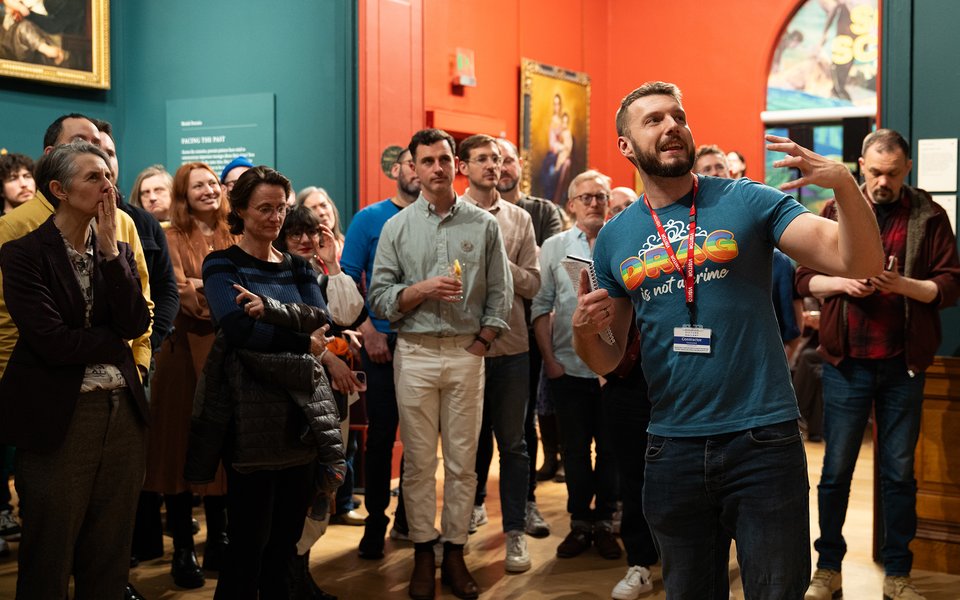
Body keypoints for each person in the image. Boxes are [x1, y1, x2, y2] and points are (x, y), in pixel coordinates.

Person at [573, 81, 883, 598]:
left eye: (678, 116)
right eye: (653, 120)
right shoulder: (615, 237)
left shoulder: (750, 202)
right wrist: (586, 332)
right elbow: (607, 357)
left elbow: (861, 263)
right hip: (671, 444)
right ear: (626, 146)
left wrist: (844, 187)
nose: (672, 126)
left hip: (762, 440)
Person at [797, 129, 960, 600]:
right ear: (861, 166)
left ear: (906, 168)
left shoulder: (929, 216)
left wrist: (899, 284)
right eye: (874, 172)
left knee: (898, 475)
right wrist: (844, 284)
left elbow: (949, 287)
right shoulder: (835, 210)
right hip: (846, 363)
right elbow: (806, 279)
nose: (882, 181)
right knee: (834, 473)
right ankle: (828, 568)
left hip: (902, 366)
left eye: (892, 173)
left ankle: (898, 573)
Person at [0, 140, 151, 599]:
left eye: (109, 176)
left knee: (109, 552)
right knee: (50, 553)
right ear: (58, 189)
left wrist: (108, 254)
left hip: (122, 412)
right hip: (60, 415)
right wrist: (112, 344)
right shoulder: (23, 253)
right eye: (93, 177)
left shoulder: (116, 246)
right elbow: (51, 342)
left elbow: (137, 322)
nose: (108, 186)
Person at [186, 165, 345, 599]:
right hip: (250, 415)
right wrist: (300, 342)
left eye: (281, 208)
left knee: (283, 543)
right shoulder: (222, 263)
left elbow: (322, 321)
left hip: (301, 414)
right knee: (247, 546)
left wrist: (269, 311)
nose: (275, 217)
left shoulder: (297, 266)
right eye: (264, 208)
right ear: (238, 209)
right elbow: (236, 330)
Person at [368, 128, 512, 600]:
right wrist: (422, 289)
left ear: (457, 165)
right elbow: (380, 299)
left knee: (463, 462)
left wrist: (483, 341)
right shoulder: (397, 227)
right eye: (426, 161)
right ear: (413, 167)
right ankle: (422, 554)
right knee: (417, 464)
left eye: (444, 159)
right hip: (415, 352)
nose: (436, 168)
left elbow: (500, 292)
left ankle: (455, 553)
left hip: (466, 353)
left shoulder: (483, 224)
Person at [142, 161, 236, 589]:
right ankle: (183, 548)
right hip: (180, 362)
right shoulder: (168, 236)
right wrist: (214, 289)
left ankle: (218, 540)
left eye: (213, 183)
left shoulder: (234, 234)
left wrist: (204, 285)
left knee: (222, 451)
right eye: (198, 185)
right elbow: (187, 300)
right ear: (183, 193)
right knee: (176, 453)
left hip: (228, 358)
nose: (209, 190)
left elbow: (246, 289)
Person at [459, 134, 540, 573]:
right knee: (465, 444)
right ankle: (465, 514)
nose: (492, 166)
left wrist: (498, 260)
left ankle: (514, 533)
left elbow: (533, 283)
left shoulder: (519, 221)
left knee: (513, 444)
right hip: (463, 349)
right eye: (482, 159)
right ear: (464, 166)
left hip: (511, 348)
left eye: (497, 159)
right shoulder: (450, 217)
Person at [532, 169, 621, 562]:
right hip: (568, 368)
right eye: (586, 197)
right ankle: (579, 522)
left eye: (601, 196)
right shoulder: (552, 247)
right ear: (571, 205)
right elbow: (540, 306)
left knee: (611, 450)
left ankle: (604, 522)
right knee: (574, 453)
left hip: (616, 372)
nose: (595, 203)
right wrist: (549, 360)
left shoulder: (623, 241)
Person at [341, 147, 418, 559]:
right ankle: (375, 519)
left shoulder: (438, 220)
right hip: (382, 345)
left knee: (421, 440)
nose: (421, 171)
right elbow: (348, 278)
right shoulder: (368, 219)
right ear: (398, 169)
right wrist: (368, 326)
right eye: (413, 162)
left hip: (425, 345)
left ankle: (410, 516)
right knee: (381, 437)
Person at [495, 137, 565, 508]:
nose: (501, 167)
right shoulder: (472, 213)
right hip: (481, 330)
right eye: (494, 160)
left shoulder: (542, 211)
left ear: (519, 164)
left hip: (529, 324)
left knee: (523, 423)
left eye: (507, 160)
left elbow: (546, 265)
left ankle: (527, 504)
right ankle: (477, 502)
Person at [693, 143, 803, 358]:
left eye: (719, 167)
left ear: (730, 172)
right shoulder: (688, 247)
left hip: (761, 359)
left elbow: (792, 329)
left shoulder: (776, 260)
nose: (715, 172)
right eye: (706, 169)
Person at [298, 186, 346, 256]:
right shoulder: (304, 254)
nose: (321, 212)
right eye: (313, 208)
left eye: (324, 205)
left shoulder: (349, 245)